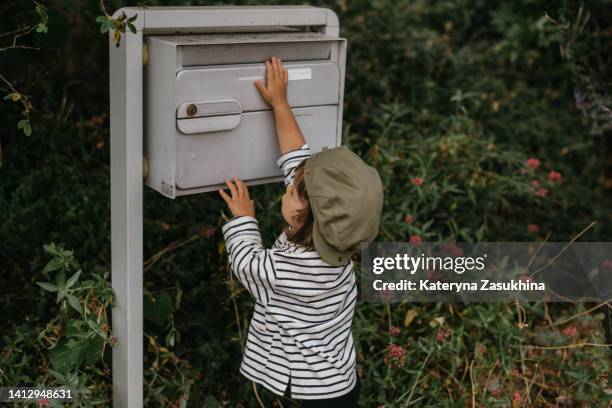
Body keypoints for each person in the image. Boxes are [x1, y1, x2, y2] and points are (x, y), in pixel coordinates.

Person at [218, 56, 383, 407]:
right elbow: (297, 158)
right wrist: (280, 102)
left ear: (303, 217)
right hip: (341, 377)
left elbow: (246, 264)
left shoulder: (288, 270)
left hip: (317, 392)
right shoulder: (339, 236)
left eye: (292, 191)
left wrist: (243, 218)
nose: (286, 189)